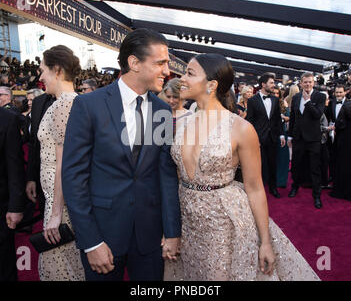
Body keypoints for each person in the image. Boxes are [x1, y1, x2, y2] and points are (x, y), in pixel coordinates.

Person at [164, 53, 320, 281]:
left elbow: (255, 187)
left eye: (189, 73)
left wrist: (265, 241)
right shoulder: (182, 122)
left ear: (211, 84)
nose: (182, 79)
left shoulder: (241, 129)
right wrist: (168, 227)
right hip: (185, 219)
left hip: (222, 221)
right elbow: (174, 175)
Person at [62, 28, 181, 281]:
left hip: (149, 237)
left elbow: (165, 173)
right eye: (160, 63)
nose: (167, 71)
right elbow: (73, 178)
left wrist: (172, 231)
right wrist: (91, 241)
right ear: (134, 63)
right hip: (102, 235)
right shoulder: (88, 105)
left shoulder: (162, 108)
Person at [37, 45, 85, 281]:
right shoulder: (63, 103)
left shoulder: (64, 104)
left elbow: (63, 163)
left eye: (43, 70)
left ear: (56, 70)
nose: (40, 77)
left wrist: (55, 214)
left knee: (62, 268)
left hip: (62, 207)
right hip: (57, 202)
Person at [287, 72, 326, 209]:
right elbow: (293, 117)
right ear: (301, 83)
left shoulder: (320, 96)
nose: (308, 84)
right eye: (305, 82)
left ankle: (316, 196)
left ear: (313, 83)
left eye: (310, 82)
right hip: (298, 138)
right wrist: (290, 135)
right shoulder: (296, 97)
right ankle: (294, 187)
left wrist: (308, 101)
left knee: (315, 168)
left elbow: (317, 115)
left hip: (313, 139)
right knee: (296, 165)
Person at [246, 73, 285, 198]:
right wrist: (253, 138)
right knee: (260, 165)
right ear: (263, 84)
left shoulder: (274, 99)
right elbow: (250, 120)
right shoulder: (252, 101)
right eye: (271, 83)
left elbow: (277, 119)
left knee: (273, 163)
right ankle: (260, 189)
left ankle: (273, 188)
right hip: (259, 139)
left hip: (273, 137)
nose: (273, 85)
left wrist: (281, 135)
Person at [0, 107, 26, 281]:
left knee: (3, 263)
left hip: (1, 207)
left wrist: (16, 207)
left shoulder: (7, 119)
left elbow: (14, 166)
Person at [330, 90, 351, 200]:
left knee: (344, 165)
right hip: (344, 140)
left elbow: (340, 124)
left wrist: (336, 127)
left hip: (345, 140)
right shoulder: (346, 105)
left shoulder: (347, 105)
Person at [274, 87, 290, 188]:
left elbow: (289, 117)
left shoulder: (283, 103)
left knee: (283, 157)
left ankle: (281, 180)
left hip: (282, 132)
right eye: (274, 93)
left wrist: (282, 117)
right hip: (270, 133)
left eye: (277, 93)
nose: (275, 95)